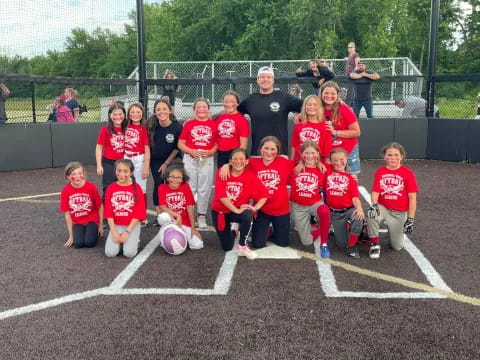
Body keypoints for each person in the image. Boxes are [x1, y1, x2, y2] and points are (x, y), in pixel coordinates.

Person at [211, 148, 268, 259]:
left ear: (247, 161)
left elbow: (264, 194)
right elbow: (222, 197)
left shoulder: (250, 176)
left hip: (237, 210)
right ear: (230, 161)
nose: (238, 161)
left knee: (247, 214)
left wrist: (255, 208)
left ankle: (242, 246)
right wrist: (236, 210)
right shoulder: (222, 172)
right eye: (235, 159)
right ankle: (233, 231)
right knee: (227, 247)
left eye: (241, 159)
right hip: (221, 211)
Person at [366, 142, 418, 259]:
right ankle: (374, 243)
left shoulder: (408, 173)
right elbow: (375, 192)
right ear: (384, 157)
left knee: (396, 247)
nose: (392, 158)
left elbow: (412, 198)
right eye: (389, 155)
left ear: (401, 156)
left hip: (399, 213)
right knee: (371, 213)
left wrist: (410, 219)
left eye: (396, 155)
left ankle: (389, 230)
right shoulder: (380, 171)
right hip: (384, 208)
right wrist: (374, 204)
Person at [238, 66, 303, 155]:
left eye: (268, 77)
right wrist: (214, 117)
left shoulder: (284, 97)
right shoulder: (250, 100)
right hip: (258, 152)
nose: (265, 79)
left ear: (273, 80)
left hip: (279, 152)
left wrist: (300, 114)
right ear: (257, 80)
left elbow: (308, 106)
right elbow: (234, 112)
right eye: (262, 77)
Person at [246, 136, 293, 249]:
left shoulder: (284, 162)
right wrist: (226, 167)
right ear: (260, 149)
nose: (269, 152)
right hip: (262, 209)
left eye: (273, 149)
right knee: (257, 244)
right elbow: (236, 163)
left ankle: (273, 230)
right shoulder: (252, 162)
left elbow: (303, 164)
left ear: (277, 151)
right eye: (266, 148)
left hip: (281, 209)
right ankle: (266, 229)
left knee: (283, 243)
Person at [178, 98, 218, 230]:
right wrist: (191, 151)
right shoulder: (189, 124)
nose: (201, 109)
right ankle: (187, 215)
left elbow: (216, 144)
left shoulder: (213, 125)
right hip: (190, 158)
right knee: (189, 187)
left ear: (208, 109)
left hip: (206, 159)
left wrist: (211, 151)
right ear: (194, 109)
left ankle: (201, 215)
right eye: (198, 107)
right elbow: (181, 143)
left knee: (204, 188)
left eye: (204, 107)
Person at [289, 141, 331, 258]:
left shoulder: (323, 169)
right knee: (307, 242)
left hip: (314, 203)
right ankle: (324, 228)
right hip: (299, 206)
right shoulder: (294, 168)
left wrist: (352, 177)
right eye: (306, 153)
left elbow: (339, 172)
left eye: (313, 153)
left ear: (318, 154)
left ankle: (324, 244)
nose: (310, 156)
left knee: (324, 211)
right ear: (302, 154)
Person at [323, 148, 365, 259]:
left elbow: (355, 198)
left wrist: (359, 208)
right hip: (335, 213)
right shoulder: (327, 172)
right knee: (341, 244)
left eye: (341, 159)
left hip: (348, 210)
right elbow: (316, 159)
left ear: (347, 159)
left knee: (358, 217)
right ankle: (349, 232)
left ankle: (352, 246)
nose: (338, 162)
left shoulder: (351, 178)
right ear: (330, 161)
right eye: (335, 160)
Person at [147, 99, 183, 225]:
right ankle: (159, 215)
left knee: (172, 182)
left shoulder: (177, 126)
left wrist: (166, 164)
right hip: (155, 160)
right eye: (158, 109)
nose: (161, 112)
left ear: (169, 110)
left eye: (164, 109)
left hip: (173, 160)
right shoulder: (151, 126)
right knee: (159, 184)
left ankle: (175, 211)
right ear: (155, 112)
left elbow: (177, 148)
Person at [104, 159, 146, 258]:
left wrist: (127, 232)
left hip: (131, 225)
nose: (121, 174)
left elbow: (138, 213)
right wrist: (114, 231)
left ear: (131, 173)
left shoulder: (137, 188)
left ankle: (134, 240)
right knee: (110, 253)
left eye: (125, 171)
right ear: (115, 171)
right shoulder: (110, 188)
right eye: (119, 171)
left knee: (129, 254)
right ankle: (122, 242)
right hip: (117, 225)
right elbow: (109, 212)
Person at [157, 162, 204, 250]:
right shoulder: (162, 188)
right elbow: (163, 206)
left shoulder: (185, 187)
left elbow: (190, 208)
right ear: (167, 177)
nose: (175, 180)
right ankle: (166, 231)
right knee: (163, 217)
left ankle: (183, 236)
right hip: (170, 221)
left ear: (182, 179)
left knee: (198, 245)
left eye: (178, 177)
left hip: (184, 222)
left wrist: (193, 228)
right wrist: (177, 215)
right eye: (172, 177)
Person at [320, 81, 362, 176]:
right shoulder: (317, 108)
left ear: (337, 95)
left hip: (347, 150)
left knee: (350, 181)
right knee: (330, 181)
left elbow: (357, 132)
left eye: (332, 93)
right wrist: (299, 116)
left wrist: (334, 132)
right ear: (321, 94)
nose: (329, 96)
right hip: (328, 152)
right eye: (326, 93)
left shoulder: (344, 108)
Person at [60, 162, 104, 248]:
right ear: (68, 177)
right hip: (77, 221)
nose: (77, 176)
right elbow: (67, 213)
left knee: (89, 242)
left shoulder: (91, 187)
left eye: (80, 173)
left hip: (92, 219)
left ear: (83, 174)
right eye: (74, 174)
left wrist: (101, 226)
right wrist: (71, 234)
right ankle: (82, 232)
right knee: (78, 244)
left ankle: (93, 231)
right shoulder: (65, 191)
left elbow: (100, 206)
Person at [124, 103, 150, 227]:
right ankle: (130, 213)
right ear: (128, 114)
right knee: (128, 187)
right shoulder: (125, 126)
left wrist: (146, 167)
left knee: (141, 189)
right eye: (132, 112)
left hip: (139, 158)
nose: (135, 114)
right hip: (126, 157)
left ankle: (143, 216)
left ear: (142, 114)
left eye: (138, 112)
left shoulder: (144, 128)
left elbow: (147, 149)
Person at [96, 103, 127, 201]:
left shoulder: (128, 129)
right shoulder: (105, 130)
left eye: (120, 114)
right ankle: (105, 214)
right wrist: (99, 165)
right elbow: (99, 147)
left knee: (123, 188)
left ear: (124, 115)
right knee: (108, 188)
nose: (118, 117)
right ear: (110, 115)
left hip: (124, 163)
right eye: (115, 114)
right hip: (109, 162)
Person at [290, 95, 332, 164]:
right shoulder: (299, 124)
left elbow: (327, 153)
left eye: (315, 105)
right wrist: (291, 163)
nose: (312, 107)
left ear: (320, 108)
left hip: (316, 165)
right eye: (309, 104)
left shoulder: (325, 126)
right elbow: (294, 146)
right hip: (299, 164)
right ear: (304, 107)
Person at [214, 91, 250, 168]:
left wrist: (238, 159)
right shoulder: (218, 118)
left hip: (234, 154)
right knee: (222, 177)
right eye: (226, 101)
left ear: (237, 103)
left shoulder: (242, 120)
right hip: (221, 154)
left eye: (232, 101)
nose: (229, 104)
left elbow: (243, 145)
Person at [345, 42, 360, 106]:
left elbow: (357, 66)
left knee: (351, 91)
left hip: (352, 76)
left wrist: (353, 73)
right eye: (348, 47)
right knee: (350, 90)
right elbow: (350, 63)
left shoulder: (356, 55)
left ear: (354, 48)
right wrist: (347, 59)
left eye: (351, 47)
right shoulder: (350, 55)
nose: (349, 49)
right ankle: (351, 105)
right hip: (348, 75)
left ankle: (349, 105)